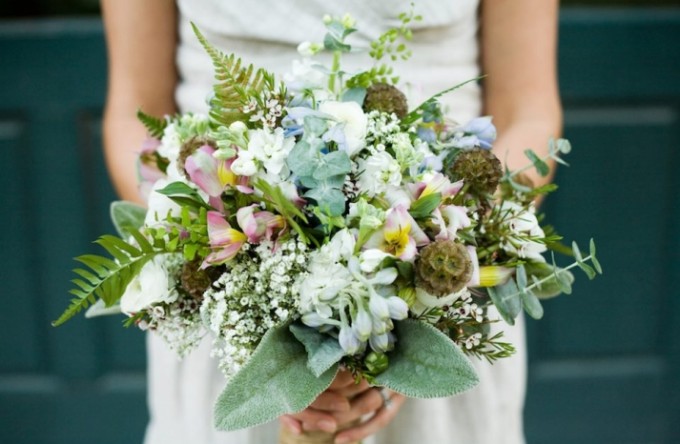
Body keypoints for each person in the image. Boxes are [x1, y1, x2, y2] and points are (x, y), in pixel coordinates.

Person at [101, 1, 562, 443]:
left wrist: (424, 312)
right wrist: (228, 271)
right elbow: (133, 111)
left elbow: (528, 110)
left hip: (441, 277)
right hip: (225, 293)